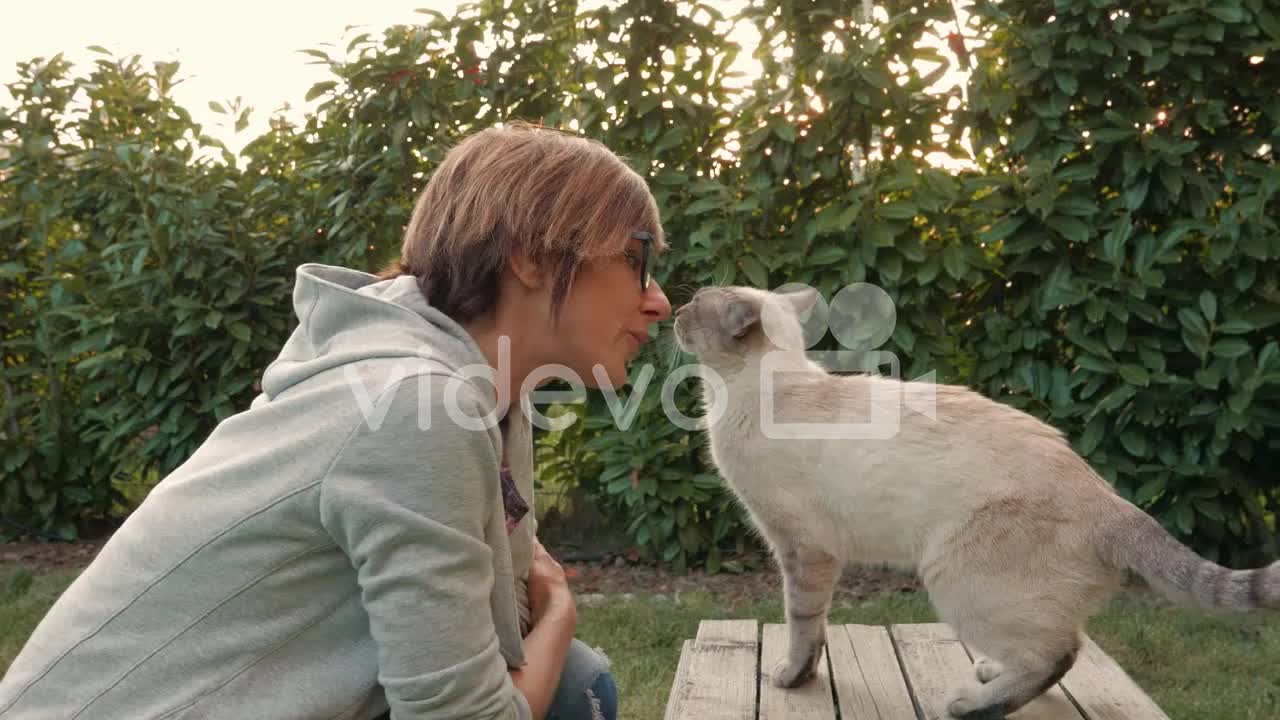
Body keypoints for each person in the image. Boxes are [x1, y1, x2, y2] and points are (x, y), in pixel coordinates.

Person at [0, 121, 673, 720]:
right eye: (637, 262)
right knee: (572, 683)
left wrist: (542, 619)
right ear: (530, 255)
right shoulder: (410, 405)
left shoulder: (486, 398)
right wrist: (560, 612)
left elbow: (492, 640)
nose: (660, 303)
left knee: (574, 687)